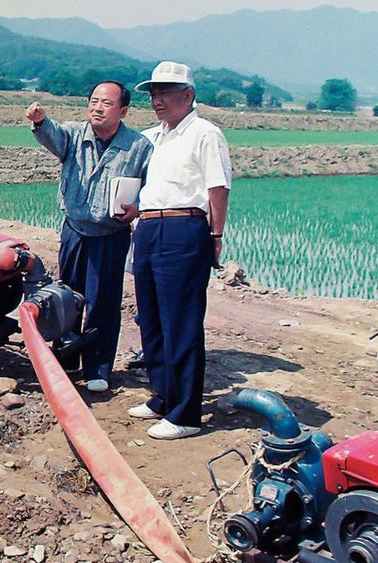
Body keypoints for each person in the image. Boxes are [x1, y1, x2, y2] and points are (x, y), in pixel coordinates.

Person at [26, 81, 153, 393]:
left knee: (104, 303)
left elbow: (152, 187)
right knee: (67, 298)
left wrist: (137, 208)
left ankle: (97, 367)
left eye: (106, 103)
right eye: (94, 101)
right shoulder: (74, 135)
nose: (97, 107)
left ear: (123, 111)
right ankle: (66, 360)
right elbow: (51, 135)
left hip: (111, 234)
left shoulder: (138, 147)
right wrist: (40, 121)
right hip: (75, 230)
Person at [127, 61, 231, 441]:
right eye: (153, 93)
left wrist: (214, 235)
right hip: (150, 226)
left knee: (181, 322)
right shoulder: (153, 137)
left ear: (187, 95)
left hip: (184, 227)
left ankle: (186, 414)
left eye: (165, 92)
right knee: (151, 317)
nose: (157, 100)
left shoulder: (205, 134)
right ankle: (162, 395)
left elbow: (217, 188)